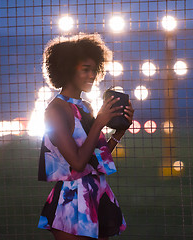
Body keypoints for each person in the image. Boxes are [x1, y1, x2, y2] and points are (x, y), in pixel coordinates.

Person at [37, 33, 134, 240]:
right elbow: (78, 162)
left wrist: (119, 131)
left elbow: (93, 157)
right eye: (85, 69)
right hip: (71, 203)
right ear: (68, 69)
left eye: (94, 69)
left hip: (96, 195)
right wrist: (99, 122)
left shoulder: (85, 107)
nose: (92, 75)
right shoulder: (54, 111)